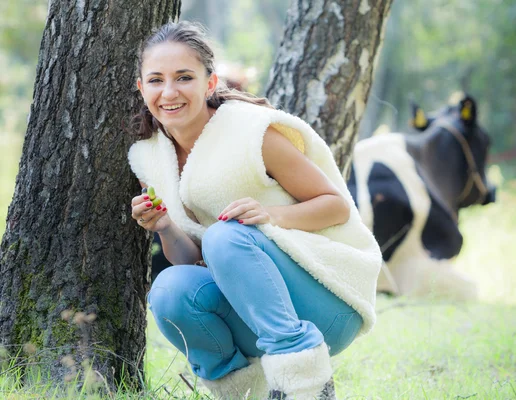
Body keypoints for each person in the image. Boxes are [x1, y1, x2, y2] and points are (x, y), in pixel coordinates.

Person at [128, 21, 382, 400]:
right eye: (156, 80)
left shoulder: (251, 133)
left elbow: (336, 207)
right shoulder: (151, 156)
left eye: (184, 77)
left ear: (210, 84)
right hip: (253, 309)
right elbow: (198, 260)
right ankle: (244, 392)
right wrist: (165, 226)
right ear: (141, 87)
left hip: (328, 300)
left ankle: (306, 386)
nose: (169, 92)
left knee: (226, 235)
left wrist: (269, 215)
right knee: (168, 290)